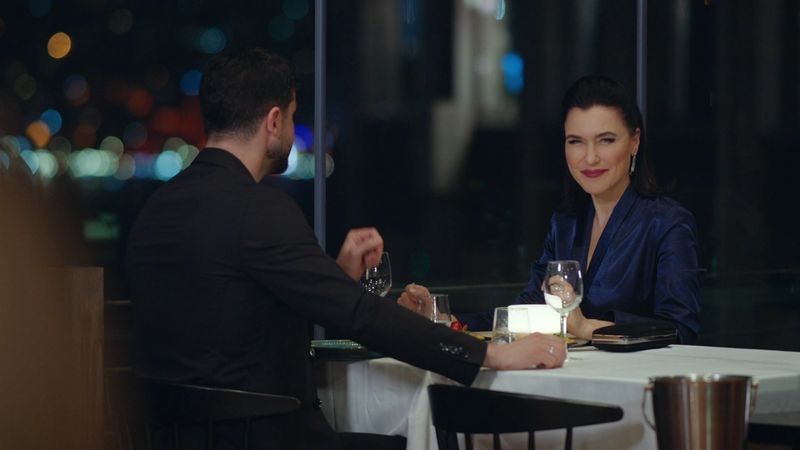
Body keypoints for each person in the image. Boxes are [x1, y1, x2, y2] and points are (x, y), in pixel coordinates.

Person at [126, 47, 566, 450]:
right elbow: (360, 315)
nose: (292, 127)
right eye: (293, 116)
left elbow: (232, 317)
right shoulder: (259, 210)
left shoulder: (155, 210)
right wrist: (489, 354)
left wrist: (333, 276)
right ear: (274, 121)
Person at [400, 76, 701, 344]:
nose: (590, 158)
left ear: (634, 141)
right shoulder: (567, 223)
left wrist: (586, 327)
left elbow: (680, 331)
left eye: (606, 140)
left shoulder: (667, 223)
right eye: (576, 141)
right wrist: (444, 321)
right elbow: (528, 309)